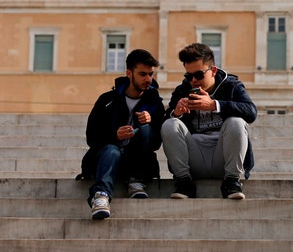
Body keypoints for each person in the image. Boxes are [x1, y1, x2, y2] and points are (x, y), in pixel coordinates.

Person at [161, 42, 257, 200]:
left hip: (224, 159)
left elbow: (251, 112)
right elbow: (164, 127)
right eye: (189, 76)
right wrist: (176, 113)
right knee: (170, 123)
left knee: (236, 122)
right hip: (194, 159)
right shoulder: (182, 90)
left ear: (213, 71)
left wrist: (214, 105)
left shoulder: (231, 86)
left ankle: (232, 181)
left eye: (199, 75)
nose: (194, 80)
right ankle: (184, 183)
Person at [79, 49, 165, 220]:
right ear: (129, 73)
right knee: (112, 150)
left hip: (137, 163)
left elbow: (156, 144)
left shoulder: (155, 103)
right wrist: (115, 135)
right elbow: (91, 137)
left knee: (146, 129)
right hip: (107, 160)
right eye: (142, 74)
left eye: (150, 74)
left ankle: (136, 181)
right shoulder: (107, 100)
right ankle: (101, 196)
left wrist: (152, 122)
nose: (148, 79)